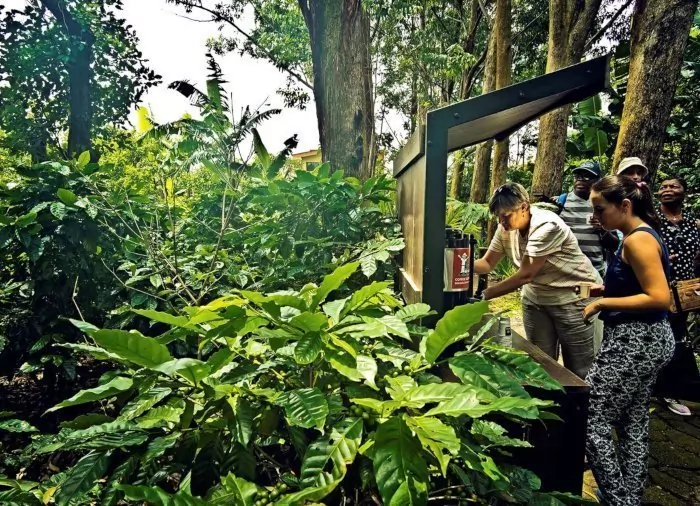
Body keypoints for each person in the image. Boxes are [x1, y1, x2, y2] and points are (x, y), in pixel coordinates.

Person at [583, 176, 675, 506]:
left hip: (636, 340)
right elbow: (639, 284)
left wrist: (603, 303)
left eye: (600, 209)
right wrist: (605, 289)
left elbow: (659, 297)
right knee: (632, 420)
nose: (596, 217)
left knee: (591, 419)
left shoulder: (638, 240)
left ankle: (617, 499)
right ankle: (629, 498)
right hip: (648, 339)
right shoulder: (636, 236)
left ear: (624, 205)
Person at [474, 182, 601, 379]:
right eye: (498, 216)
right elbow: (487, 263)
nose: (501, 222)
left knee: (580, 369)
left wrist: (483, 296)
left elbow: (526, 275)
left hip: (574, 298)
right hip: (536, 299)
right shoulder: (505, 228)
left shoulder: (546, 226)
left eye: (505, 216)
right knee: (540, 365)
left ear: (524, 207)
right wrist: (456, 262)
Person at [655, 176, 700, 416]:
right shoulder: (652, 220)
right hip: (657, 290)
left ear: (685, 191)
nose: (667, 190)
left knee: (676, 339)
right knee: (660, 338)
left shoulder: (693, 223)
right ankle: (659, 390)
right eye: (663, 187)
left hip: (684, 293)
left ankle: (670, 389)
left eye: (674, 186)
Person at [558, 160, 619, 279]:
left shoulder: (605, 204)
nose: (580, 180)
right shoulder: (561, 202)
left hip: (595, 273)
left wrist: (603, 229)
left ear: (598, 181)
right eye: (577, 176)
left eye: (586, 176)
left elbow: (614, 245)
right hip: (566, 273)